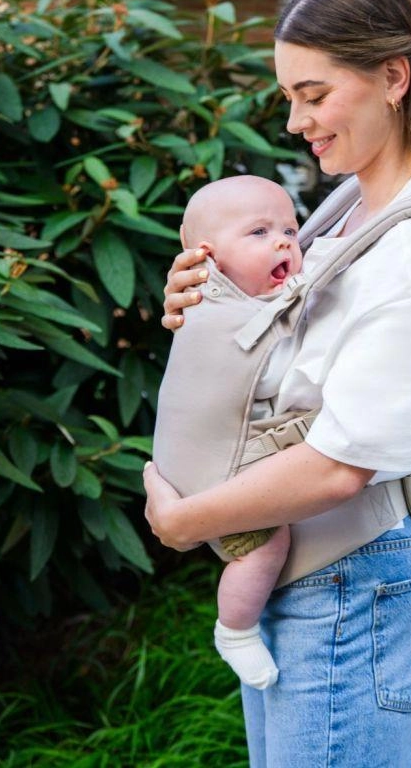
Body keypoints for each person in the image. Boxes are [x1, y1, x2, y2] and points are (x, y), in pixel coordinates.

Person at [144, 0, 411, 768]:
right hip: (305, 582)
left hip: (349, 590)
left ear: (393, 79)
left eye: (313, 95)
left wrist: (184, 522)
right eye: (289, 97)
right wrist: (206, 306)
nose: (295, 121)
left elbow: (344, 463)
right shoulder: (343, 210)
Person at [154, 175, 303, 690]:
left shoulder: (233, 302)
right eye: (259, 232)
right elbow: (282, 373)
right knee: (267, 544)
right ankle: (235, 629)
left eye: (290, 230)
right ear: (208, 257)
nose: (283, 242)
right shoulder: (220, 315)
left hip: (186, 463)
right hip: (207, 472)